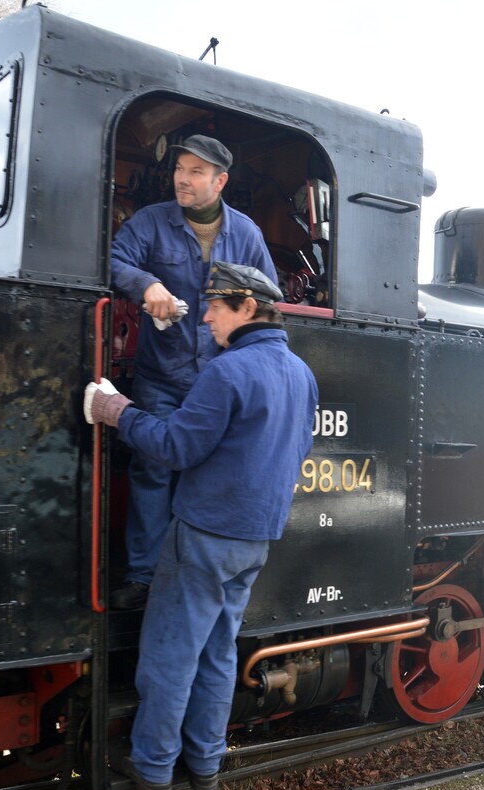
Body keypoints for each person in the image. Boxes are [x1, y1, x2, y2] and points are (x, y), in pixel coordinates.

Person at [84, 262, 317, 790]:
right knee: (218, 651)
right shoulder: (300, 373)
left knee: (171, 652)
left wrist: (117, 410)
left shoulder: (226, 371)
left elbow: (175, 448)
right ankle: (206, 765)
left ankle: (153, 769)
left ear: (248, 309)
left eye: (217, 306)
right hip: (256, 539)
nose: (206, 316)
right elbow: (300, 450)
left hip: (206, 535)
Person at [109, 135, 278, 610]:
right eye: (180, 169)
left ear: (219, 181)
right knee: (152, 468)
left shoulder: (246, 233)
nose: (183, 178)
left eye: (196, 172)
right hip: (162, 373)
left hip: (221, 377)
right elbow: (115, 259)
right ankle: (144, 578)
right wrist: (147, 285)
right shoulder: (150, 222)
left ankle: (193, 573)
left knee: (212, 470)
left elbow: (268, 296)